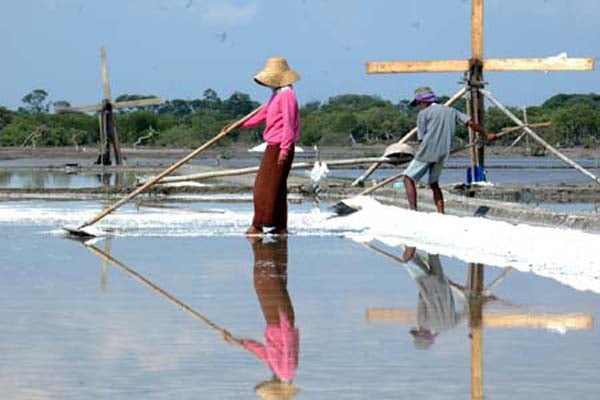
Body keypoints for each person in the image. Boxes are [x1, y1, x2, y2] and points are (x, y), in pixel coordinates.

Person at [403, 87, 496, 213]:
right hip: (444, 153)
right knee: (434, 183)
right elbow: (471, 123)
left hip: (427, 150)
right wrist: (486, 135)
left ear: (423, 102)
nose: (419, 106)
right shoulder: (452, 111)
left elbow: (421, 138)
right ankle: (441, 213)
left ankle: (413, 210)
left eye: (419, 103)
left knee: (408, 178)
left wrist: (420, 153)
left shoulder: (423, 114)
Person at [237, 57, 301, 236]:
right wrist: (239, 125)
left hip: (280, 146)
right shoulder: (276, 95)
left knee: (264, 187)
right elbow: (262, 114)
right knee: (276, 187)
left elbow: (289, 124)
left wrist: (285, 150)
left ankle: (258, 225)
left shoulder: (287, 95)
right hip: (273, 144)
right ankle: (280, 227)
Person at [242, 236, 300, 399]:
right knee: (268, 279)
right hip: (279, 321)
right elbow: (289, 344)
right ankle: (267, 246)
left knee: (265, 280)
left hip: (275, 321)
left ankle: (266, 246)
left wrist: (242, 343)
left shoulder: (279, 371)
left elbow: (264, 354)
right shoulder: (286, 371)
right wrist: (285, 320)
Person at [401, 246, 465, 350]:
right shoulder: (423, 322)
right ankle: (409, 243)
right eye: (418, 333)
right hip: (426, 283)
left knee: (433, 255)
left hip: (443, 284)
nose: (418, 330)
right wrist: (421, 286)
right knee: (408, 260)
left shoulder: (450, 325)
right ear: (421, 334)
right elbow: (422, 301)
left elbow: (466, 312)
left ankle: (431, 239)